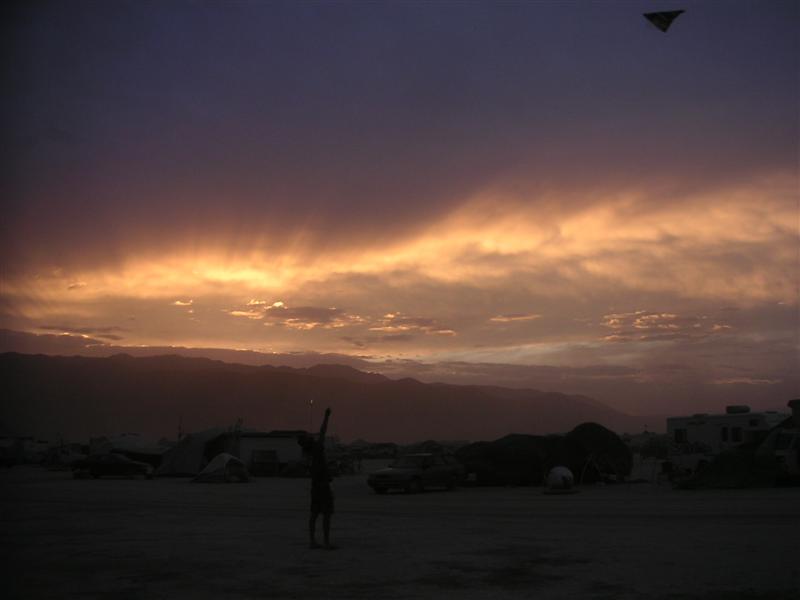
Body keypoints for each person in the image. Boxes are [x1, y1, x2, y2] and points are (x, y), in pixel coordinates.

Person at [298, 407, 335, 549]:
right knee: (326, 514)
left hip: (315, 486)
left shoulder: (307, 454)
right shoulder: (317, 448)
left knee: (314, 514)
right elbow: (323, 431)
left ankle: (313, 541)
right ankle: (326, 542)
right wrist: (326, 416)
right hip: (323, 485)